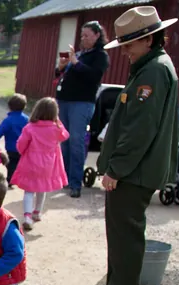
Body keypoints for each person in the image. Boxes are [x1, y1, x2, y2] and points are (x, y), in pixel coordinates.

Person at [87, 6, 179, 285]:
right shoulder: (149, 66)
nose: (125, 51)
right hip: (135, 169)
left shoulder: (152, 72)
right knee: (119, 231)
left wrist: (117, 168)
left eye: (129, 44)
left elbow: (140, 130)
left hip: (135, 171)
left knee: (126, 234)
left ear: (149, 39)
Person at [54, 20, 110, 198]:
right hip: (64, 100)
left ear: (97, 35)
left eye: (87, 35)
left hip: (82, 103)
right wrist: (61, 67)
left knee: (76, 141)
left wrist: (76, 63)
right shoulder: (78, 54)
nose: (83, 39)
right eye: (82, 35)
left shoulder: (100, 56)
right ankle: (65, 179)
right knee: (64, 141)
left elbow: (93, 76)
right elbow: (62, 74)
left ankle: (75, 183)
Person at [10, 98, 70, 230]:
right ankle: (37, 212)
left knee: (29, 190)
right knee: (42, 188)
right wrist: (58, 121)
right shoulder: (56, 129)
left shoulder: (30, 128)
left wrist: (22, 152)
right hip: (49, 164)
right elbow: (65, 136)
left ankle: (27, 216)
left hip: (31, 162)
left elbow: (21, 145)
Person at [0, 93, 30, 187]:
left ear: (9, 106)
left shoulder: (8, 120)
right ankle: (17, 178)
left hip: (11, 147)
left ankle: (11, 179)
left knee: (11, 163)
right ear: (24, 106)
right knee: (18, 163)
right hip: (24, 147)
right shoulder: (27, 119)